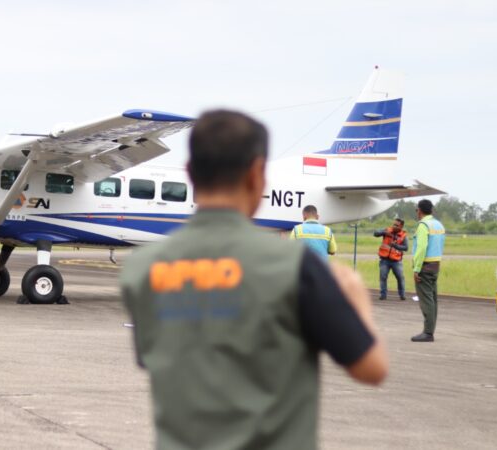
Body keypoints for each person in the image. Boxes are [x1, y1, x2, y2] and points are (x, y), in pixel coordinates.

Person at [120, 110, 387, 449]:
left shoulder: (141, 269)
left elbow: (154, 357)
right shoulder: (295, 266)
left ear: (189, 174)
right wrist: (356, 298)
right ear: (258, 175)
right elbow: (371, 369)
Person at [411, 199, 446, 342]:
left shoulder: (423, 225)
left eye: (416, 210)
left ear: (419, 210)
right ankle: (430, 330)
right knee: (433, 299)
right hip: (436, 265)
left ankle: (428, 332)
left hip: (425, 266)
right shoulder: (439, 225)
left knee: (426, 300)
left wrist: (416, 269)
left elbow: (421, 248)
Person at [374, 218, 409, 300]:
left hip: (396, 261)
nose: (394, 226)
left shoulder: (403, 236)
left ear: (401, 226)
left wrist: (395, 246)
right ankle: (383, 295)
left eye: (397, 225)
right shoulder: (387, 230)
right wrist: (384, 232)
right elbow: (375, 233)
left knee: (400, 278)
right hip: (384, 260)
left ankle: (402, 295)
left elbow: (406, 248)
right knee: (383, 277)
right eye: (394, 224)